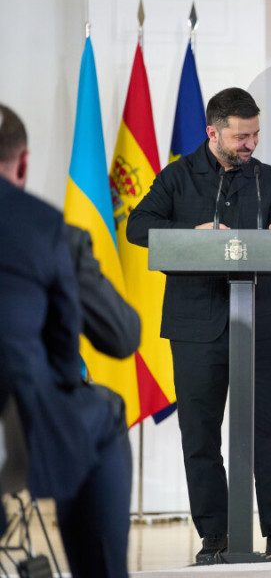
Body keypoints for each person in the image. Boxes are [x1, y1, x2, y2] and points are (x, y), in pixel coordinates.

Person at [126, 87, 271, 563]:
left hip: (256, 324)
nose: (250, 144)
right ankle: (215, 536)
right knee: (201, 435)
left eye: (255, 135)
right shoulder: (176, 177)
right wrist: (191, 235)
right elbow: (137, 226)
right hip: (194, 327)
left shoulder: (268, 180)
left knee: (270, 432)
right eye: (240, 136)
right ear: (213, 132)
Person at [0, 107, 130, 577]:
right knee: (105, 410)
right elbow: (121, 336)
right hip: (13, 422)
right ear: (23, 163)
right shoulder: (46, 228)